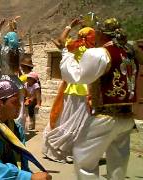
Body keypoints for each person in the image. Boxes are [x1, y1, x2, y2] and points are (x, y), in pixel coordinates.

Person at [60, 18, 141, 179]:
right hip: (126, 117)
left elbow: (76, 76)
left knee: (83, 157)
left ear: (101, 34)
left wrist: (67, 54)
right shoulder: (129, 53)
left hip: (105, 116)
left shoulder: (101, 53)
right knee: (118, 161)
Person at [43, 17, 96, 163]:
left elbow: (61, 40)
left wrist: (69, 25)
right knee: (82, 122)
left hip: (72, 86)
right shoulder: (96, 51)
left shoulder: (74, 45)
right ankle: (73, 150)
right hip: (86, 88)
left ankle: (63, 148)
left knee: (65, 118)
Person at [0, 18, 26, 128]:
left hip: (4, 80)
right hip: (16, 81)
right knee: (19, 104)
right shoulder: (20, 51)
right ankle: (18, 127)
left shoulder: (4, 50)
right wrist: (14, 29)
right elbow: (20, 41)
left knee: (2, 104)